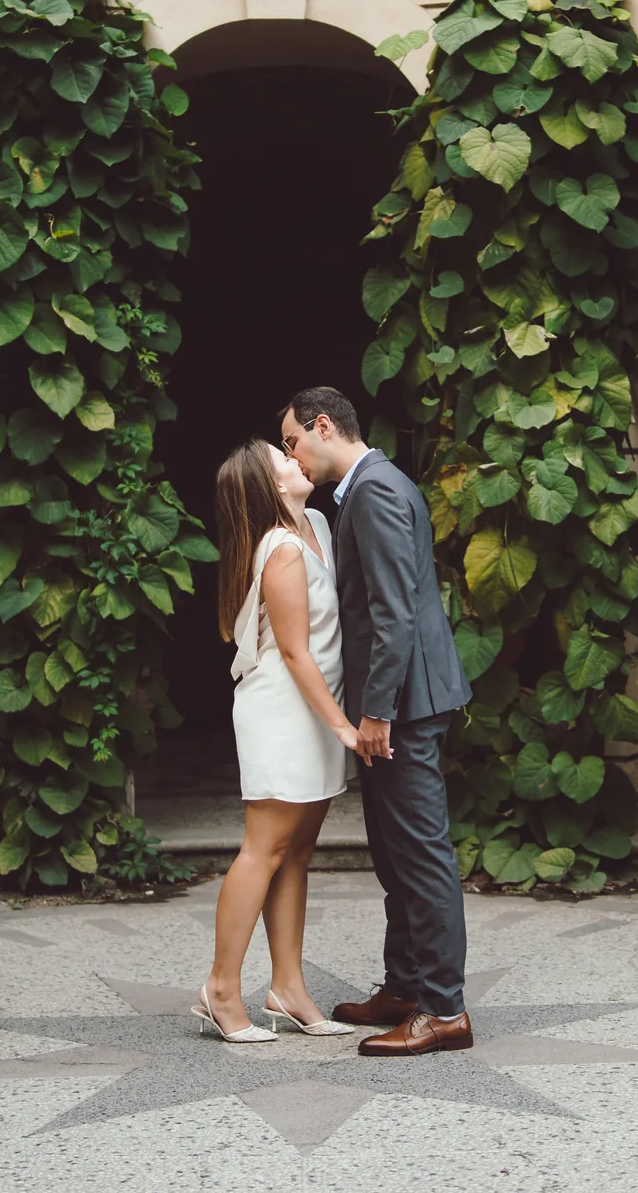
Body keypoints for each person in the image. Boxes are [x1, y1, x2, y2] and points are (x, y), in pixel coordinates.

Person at [278, 385, 474, 1057]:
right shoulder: (370, 487)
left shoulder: (378, 490)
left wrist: (375, 714)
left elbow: (392, 613)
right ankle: (405, 985)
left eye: (292, 441)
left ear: (323, 425)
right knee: (395, 854)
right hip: (402, 701)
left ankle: (444, 1008)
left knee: (421, 855)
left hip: (405, 705)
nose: (292, 456)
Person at [194, 439, 363, 1043]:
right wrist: (343, 724)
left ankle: (287, 988)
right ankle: (220, 988)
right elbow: (293, 652)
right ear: (271, 487)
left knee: (295, 852)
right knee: (263, 848)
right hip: (284, 710)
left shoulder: (316, 522)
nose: (297, 461)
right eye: (283, 460)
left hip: (314, 707)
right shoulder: (281, 550)